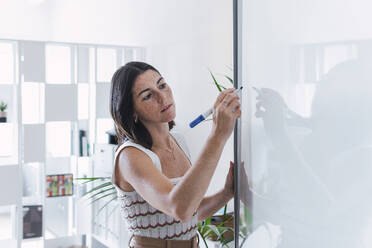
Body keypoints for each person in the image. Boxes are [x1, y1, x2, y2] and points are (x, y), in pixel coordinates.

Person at [109, 61, 241, 248]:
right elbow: (179, 208)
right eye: (148, 96)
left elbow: (190, 211)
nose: (162, 97)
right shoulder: (130, 156)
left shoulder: (178, 140)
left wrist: (227, 193)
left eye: (162, 85)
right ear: (133, 113)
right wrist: (218, 136)